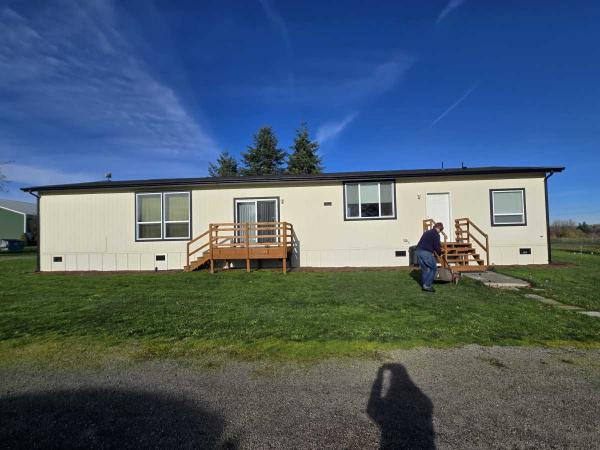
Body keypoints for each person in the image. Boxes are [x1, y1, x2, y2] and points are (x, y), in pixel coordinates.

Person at [416, 222, 444, 292]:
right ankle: (427, 285)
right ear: (439, 228)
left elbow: (427, 242)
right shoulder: (436, 234)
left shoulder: (427, 232)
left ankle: (425, 285)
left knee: (425, 269)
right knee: (433, 268)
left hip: (418, 251)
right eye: (441, 230)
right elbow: (436, 246)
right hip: (426, 252)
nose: (440, 232)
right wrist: (440, 253)